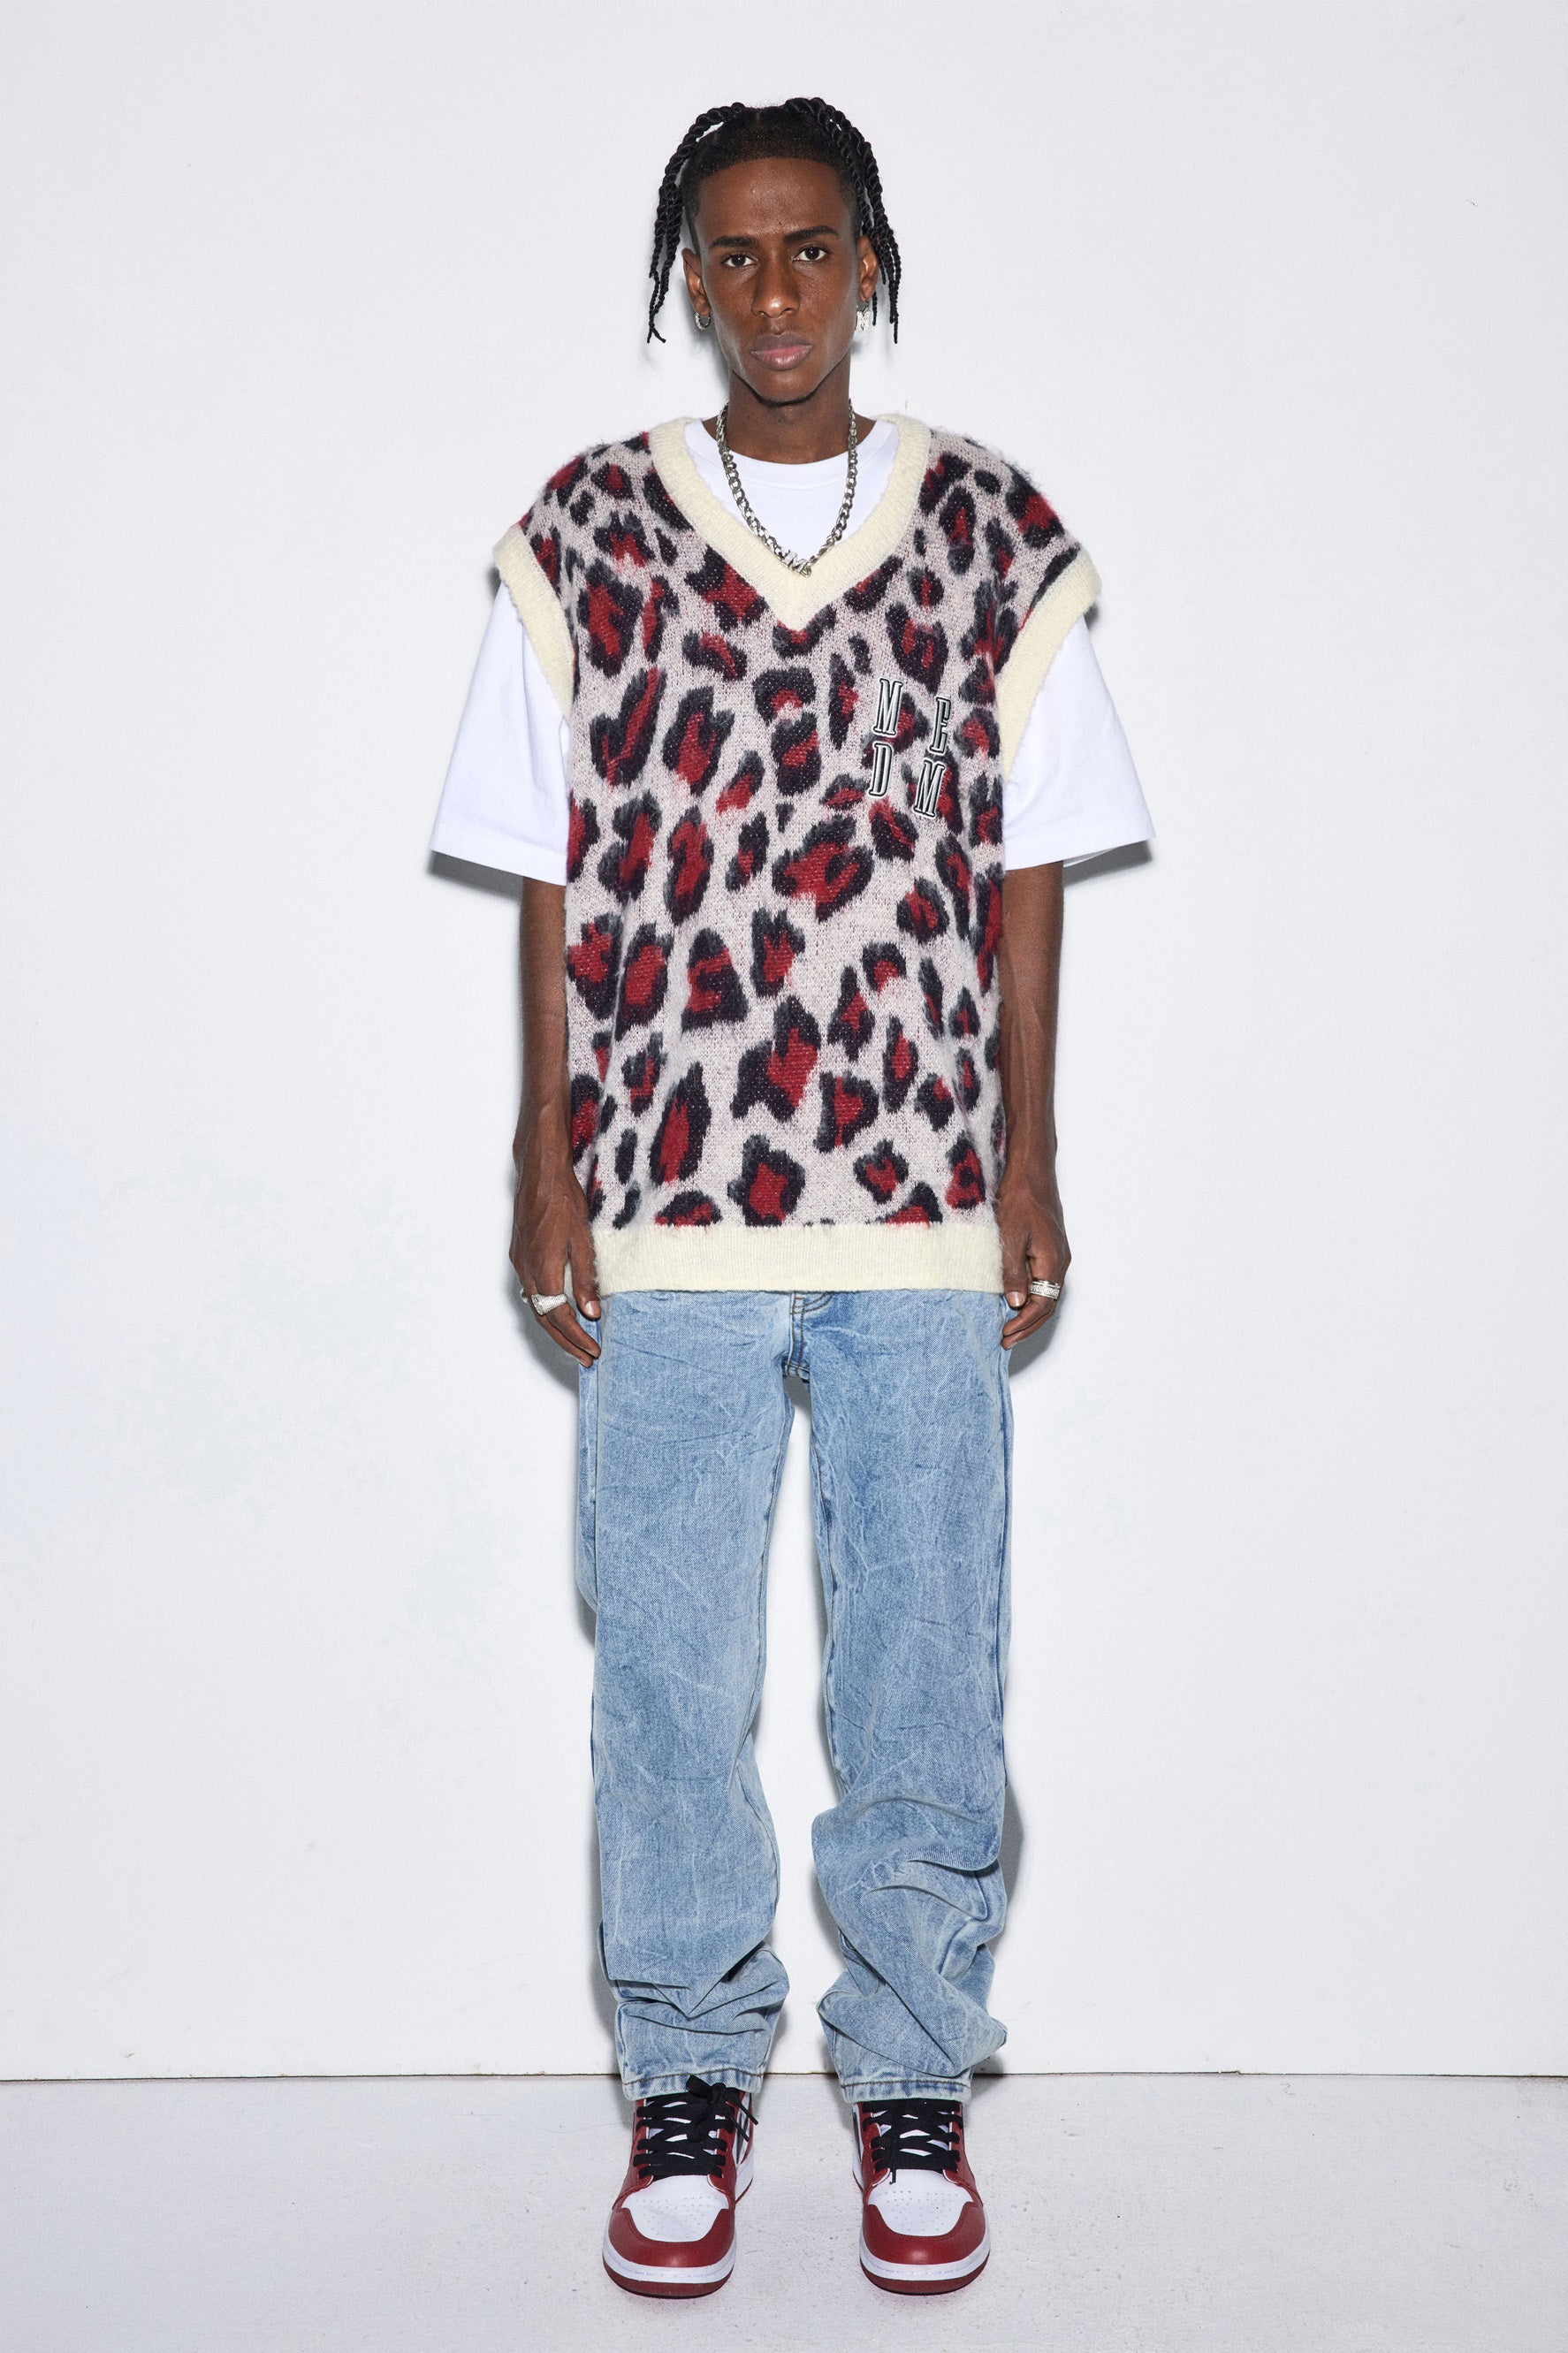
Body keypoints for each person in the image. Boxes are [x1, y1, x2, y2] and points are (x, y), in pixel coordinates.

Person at [431, 97, 1152, 2301]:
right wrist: (543, 1150)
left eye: (809, 249)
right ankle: (686, 2065)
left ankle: (912, 2061)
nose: (772, 293)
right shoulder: (585, 533)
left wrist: (1027, 1146)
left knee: (925, 1646)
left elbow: (1026, 865)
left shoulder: (989, 530)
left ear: (868, 266)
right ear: (688, 276)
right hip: (665, 1188)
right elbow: (546, 871)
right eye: (732, 255)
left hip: (920, 1187)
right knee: (664, 1657)